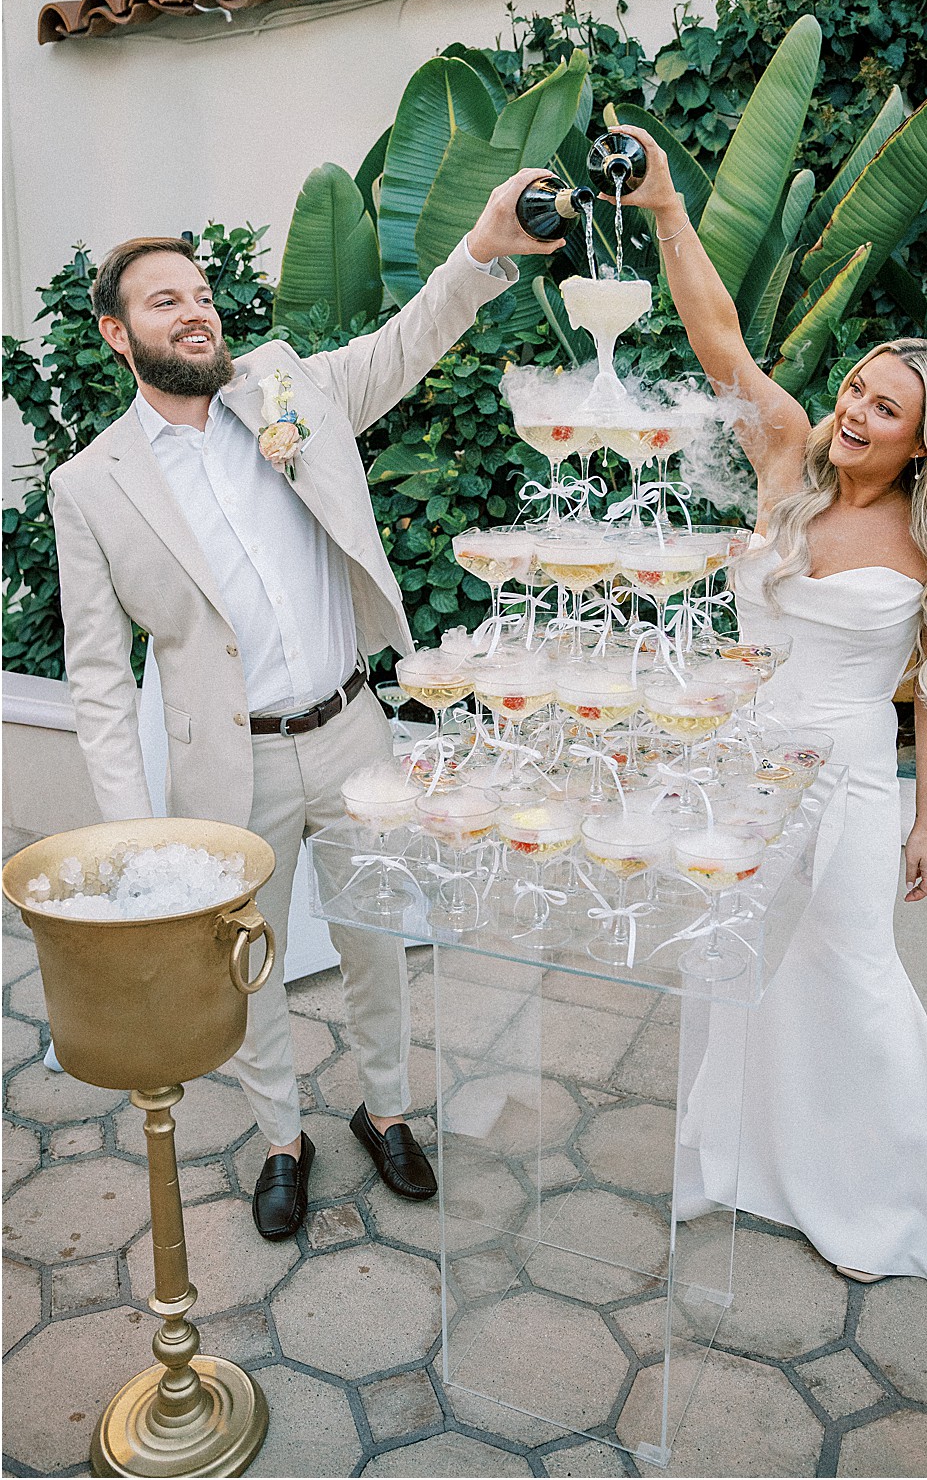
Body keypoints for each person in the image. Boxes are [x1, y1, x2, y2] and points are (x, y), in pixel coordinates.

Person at [50, 171, 564, 1243]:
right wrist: (135, 829)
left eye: (200, 293)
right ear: (115, 332)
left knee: (380, 936)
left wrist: (480, 247)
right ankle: (281, 1137)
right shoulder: (88, 485)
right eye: (163, 301)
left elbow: (400, 344)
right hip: (223, 771)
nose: (194, 311)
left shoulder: (283, 387)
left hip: (352, 732)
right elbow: (97, 674)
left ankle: (385, 1110)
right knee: (250, 965)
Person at [610, 126, 927, 1312]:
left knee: (851, 970)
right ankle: (739, 1164)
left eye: (880, 408)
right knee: (729, 963)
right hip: (738, 760)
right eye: (851, 389)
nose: (850, 411)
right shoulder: (783, 462)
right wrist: (669, 208)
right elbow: (718, 341)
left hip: (840, 773)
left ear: (917, 438)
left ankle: (883, 1200)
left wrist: (924, 820)